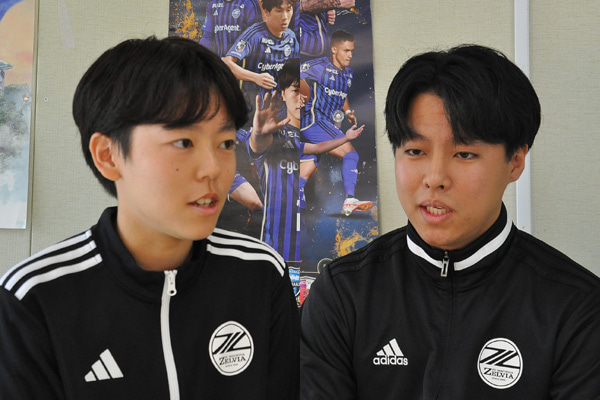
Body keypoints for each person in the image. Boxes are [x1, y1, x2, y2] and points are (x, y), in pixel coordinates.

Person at [0, 36, 299, 399]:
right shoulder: (34, 298)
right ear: (108, 155)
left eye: (225, 144)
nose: (213, 169)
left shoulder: (260, 274)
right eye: (184, 142)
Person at [300, 44, 600, 399]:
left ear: (515, 162)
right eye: (415, 151)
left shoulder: (577, 309)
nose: (435, 178)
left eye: (465, 154)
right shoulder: (343, 294)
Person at [247, 58, 363, 262]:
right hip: (275, 250)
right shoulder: (272, 135)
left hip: (306, 238)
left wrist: (346, 137)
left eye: (304, 94)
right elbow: (257, 145)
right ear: (283, 94)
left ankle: (349, 199)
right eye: (295, 91)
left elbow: (317, 148)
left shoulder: (309, 137)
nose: (301, 99)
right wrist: (258, 133)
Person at [300, 30, 372, 216]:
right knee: (350, 154)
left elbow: (342, 94)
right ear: (334, 49)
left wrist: (347, 111)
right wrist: (301, 96)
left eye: (352, 51)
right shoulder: (319, 66)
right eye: (346, 50)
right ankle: (349, 200)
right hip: (314, 121)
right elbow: (294, 75)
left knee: (309, 163)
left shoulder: (348, 73)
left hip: (327, 124)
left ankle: (295, 196)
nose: (350, 55)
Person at [222, 0, 299, 111]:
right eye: (279, 11)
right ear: (267, 12)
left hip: (282, 107)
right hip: (254, 108)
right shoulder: (254, 34)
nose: (285, 17)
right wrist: (255, 77)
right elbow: (226, 63)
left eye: (288, 10)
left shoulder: (291, 37)